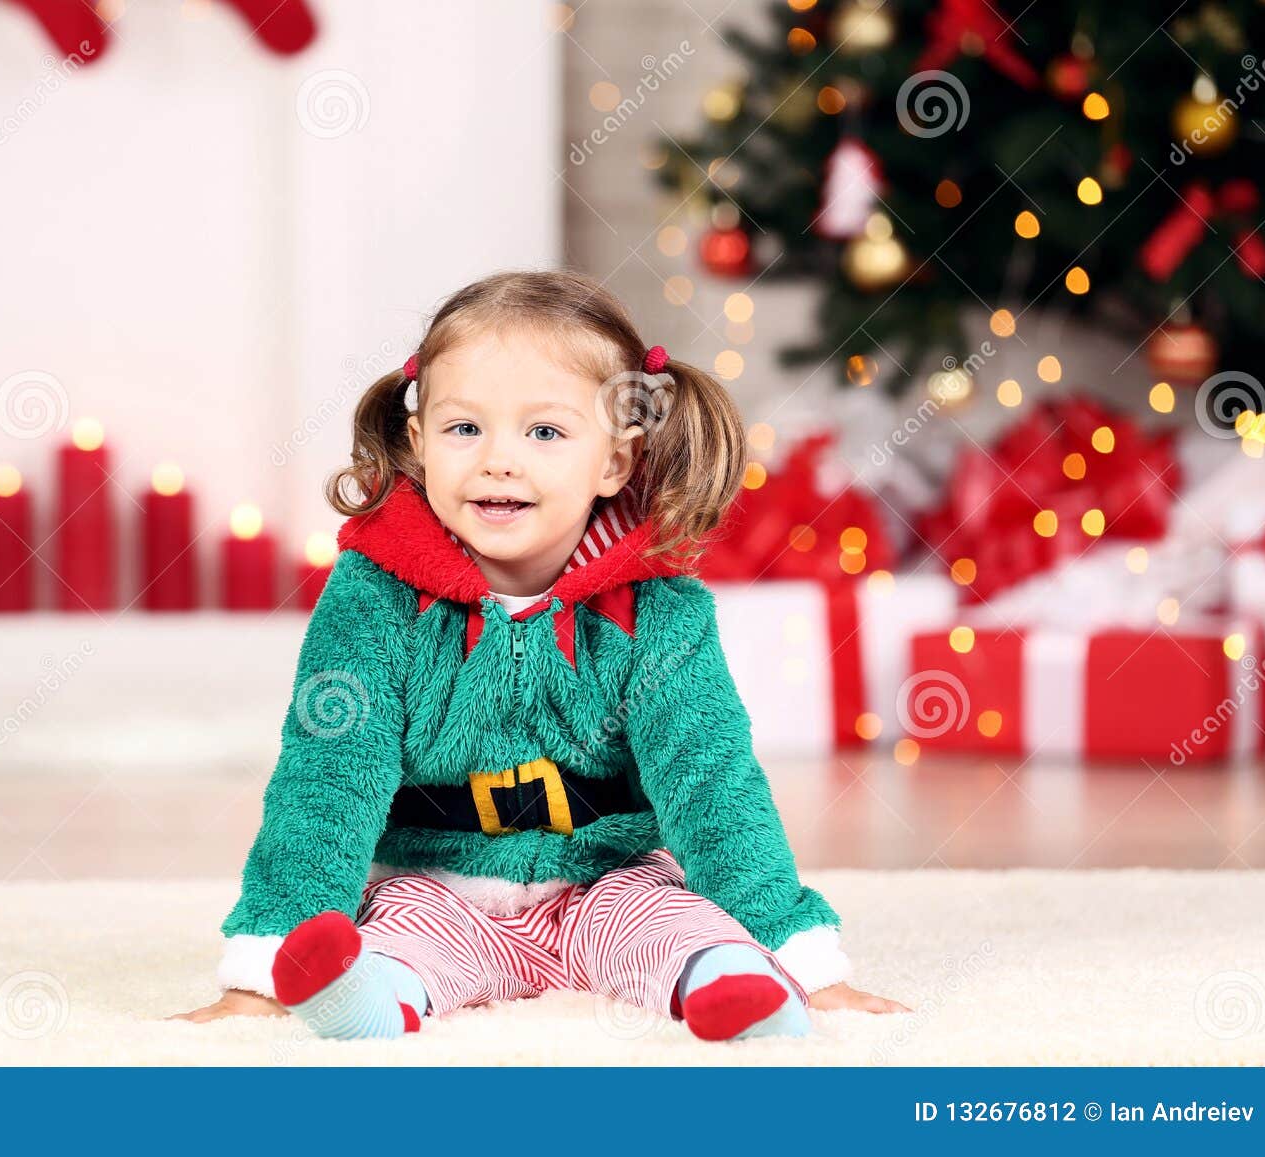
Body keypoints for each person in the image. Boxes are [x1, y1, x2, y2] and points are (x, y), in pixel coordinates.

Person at [173, 270, 910, 1041]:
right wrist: (261, 970)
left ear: (614, 462)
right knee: (398, 931)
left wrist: (808, 962)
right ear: (420, 444)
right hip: (439, 880)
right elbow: (326, 779)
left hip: (607, 878)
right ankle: (368, 1000)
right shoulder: (374, 596)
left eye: (545, 433)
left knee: (677, 921)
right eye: (465, 430)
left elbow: (711, 781)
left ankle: (737, 984)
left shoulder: (659, 609)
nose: (498, 460)